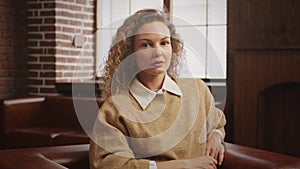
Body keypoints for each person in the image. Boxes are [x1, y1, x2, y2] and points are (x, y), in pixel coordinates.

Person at [90, 9, 226, 169]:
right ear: (130, 53)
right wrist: (184, 165)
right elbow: (109, 164)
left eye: (164, 42)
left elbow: (218, 124)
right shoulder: (115, 108)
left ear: (172, 47)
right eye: (146, 44)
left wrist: (216, 137)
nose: (157, 52)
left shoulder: (197, 89)